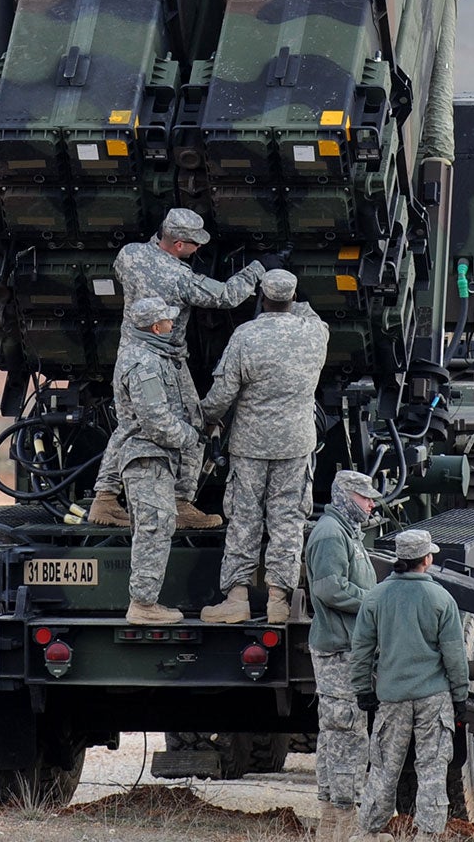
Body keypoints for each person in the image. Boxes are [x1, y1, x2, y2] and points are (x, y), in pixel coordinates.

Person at [86, 207, 268, 529]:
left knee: (128, 425)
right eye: (195, 244)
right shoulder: (179, 277)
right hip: (166, 358)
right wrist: (254, 271)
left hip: (129, 352)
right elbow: (227, 296)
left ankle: (105, 499)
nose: (199, 250)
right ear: (179, 245)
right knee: (195, 424)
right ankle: (181, 501)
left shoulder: (129, 255)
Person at [198, 269, 329, 625]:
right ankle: (277, 601)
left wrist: (205, 418)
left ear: (261, 297)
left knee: (244, 518)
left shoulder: (246, 335)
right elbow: (309, 313)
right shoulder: (314, 334)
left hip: (250, 445)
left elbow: (222, 393)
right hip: (295, 443)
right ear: (292, 298)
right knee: (287, 521)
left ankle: (237, 598)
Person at [350, 529, 470, 840]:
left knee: (384, 768)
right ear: (427, 559)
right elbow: (454, 655)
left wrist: (363, 689)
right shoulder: (441, 598)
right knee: (432, 769)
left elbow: (361, 648)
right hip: (434, 698)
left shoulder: (376, 597)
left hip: (392, 697)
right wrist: (460, 695)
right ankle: (428, 834)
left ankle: (369, 830)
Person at [113, 297, 205, 624]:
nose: (172, 324)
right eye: (168, 320)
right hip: (146, 455)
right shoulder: (144, 364)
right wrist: (190, 437)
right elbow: (156, 421)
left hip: (152, 456)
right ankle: (143, 605)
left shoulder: (153, 357)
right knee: (155, 525)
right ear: (156, 328)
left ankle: (145, 601)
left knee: (154, 525)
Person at [304, 470, 382, 842]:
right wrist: (375, 603)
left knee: (337, 733)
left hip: (345, 646)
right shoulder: (331, 534)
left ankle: (333, 824)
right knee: (347, 734)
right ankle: (342, 822)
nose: (370, 504)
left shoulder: (343, 532)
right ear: (345, 496)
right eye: (365, 498)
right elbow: (328, 588)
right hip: (339, 651)